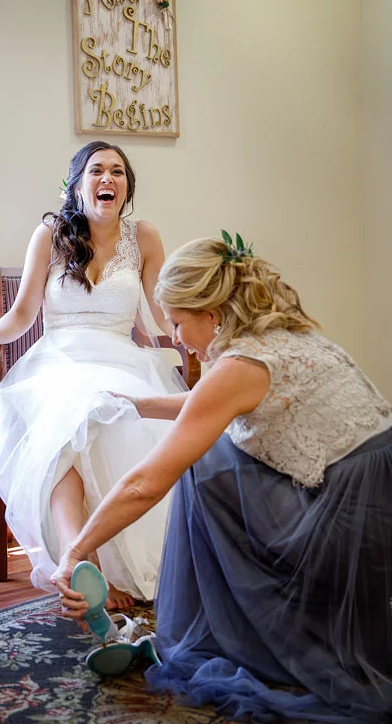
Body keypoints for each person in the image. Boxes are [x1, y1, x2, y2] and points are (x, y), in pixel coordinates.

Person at [53, 233, 392, 724]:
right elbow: (209, 401)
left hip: (346, 525)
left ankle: (225, 628)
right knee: (216, 447)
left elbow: (146, 483)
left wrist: (76, 551)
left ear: (211, 314)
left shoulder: (241, 364)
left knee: (202, 461)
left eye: (176, 322)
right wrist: (139, 404)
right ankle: (232, 616)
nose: (175, 336)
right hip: (375, 506)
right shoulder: (284, 335)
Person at [0, 141, 187, 610]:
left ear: (127, 186)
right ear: (76, 184)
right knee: (69, 415)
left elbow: (162, 313)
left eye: (118, 172)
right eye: (97, 170)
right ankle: (84, 564)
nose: (108, 179)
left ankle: (99, 560)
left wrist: (203, 335)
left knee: (118, 410)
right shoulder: (50, 235)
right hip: (57, 361)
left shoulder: (144, 237)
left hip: (121, 360)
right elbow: (22, 315)